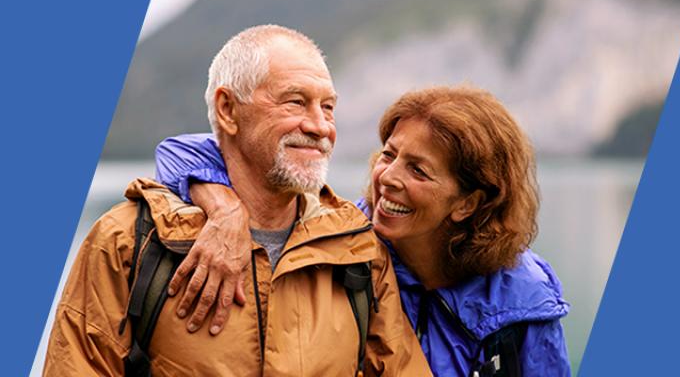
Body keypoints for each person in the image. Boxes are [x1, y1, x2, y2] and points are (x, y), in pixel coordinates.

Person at [43, 25, 430, 376]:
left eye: (327, 106)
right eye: (295, 102)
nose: (320, 126)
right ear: (228, 109)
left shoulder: (358, 248)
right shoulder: (128, 240)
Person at [155, 85, 571, 376]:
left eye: (418, 170)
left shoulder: (522, 297)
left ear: (468, 203)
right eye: (388, 154)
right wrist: (224, 207)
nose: (387, 177)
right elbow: (176, 150)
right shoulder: (341, 239)